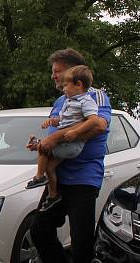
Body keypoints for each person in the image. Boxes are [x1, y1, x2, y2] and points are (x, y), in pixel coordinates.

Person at [28, 49, 110, 263]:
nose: (53, 75)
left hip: (83, 179)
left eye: (58, 71)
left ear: (75, 71)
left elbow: (98, 125)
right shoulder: (61, 100)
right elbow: (56, 129)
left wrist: (58, 137)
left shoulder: (93, 96)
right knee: (39, 229)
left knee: (82, 241)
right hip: (58, 177)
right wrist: (42, 143)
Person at [26, 66, 99, 211]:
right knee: (50, 167)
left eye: (66, 85)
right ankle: (53, 195)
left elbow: (94, 121)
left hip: (73, 144)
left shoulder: (86, 101)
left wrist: (77, 132)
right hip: (65, 141)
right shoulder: (68, 101)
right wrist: (53, 121)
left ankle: (39, 177)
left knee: (44, 147)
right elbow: (64, 120)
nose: (64, 89)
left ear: (79, 85)